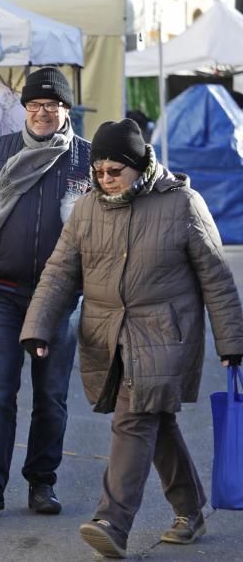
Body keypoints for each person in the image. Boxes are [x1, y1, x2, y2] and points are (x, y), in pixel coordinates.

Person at [20, 119, 243, 558]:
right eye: (98, 172)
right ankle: (190, 509)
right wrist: (38, 326)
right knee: (156, 421)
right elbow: (60, 271)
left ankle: (113, 521)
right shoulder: (86, 210)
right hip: (107, 336)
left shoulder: (182, 204)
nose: (105, 180)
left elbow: (216, 276)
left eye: (114, 172)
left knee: (134, 419)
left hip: (165, 333)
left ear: (138, 165)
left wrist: (231, 341)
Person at [0, 67, 92, 515]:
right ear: (24, 109)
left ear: (66, 109)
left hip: (59, 295)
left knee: (51, 393)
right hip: (1, 289)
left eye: (52, 106)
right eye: (35, 105)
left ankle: (41, 483)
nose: (43, 113)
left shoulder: (88, 161)